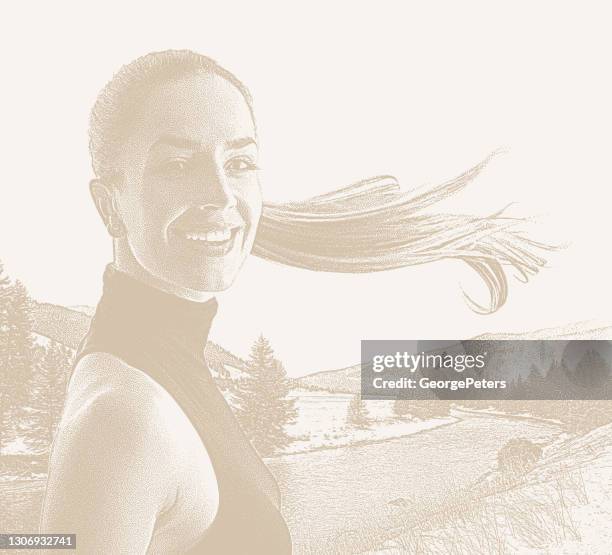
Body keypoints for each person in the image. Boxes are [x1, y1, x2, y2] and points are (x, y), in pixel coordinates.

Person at [39, 49, 551, 553]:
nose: (220, 194)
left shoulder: (155, 370)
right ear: (109, 204)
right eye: (177, 164)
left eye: (238, 161)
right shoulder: (122, 417)